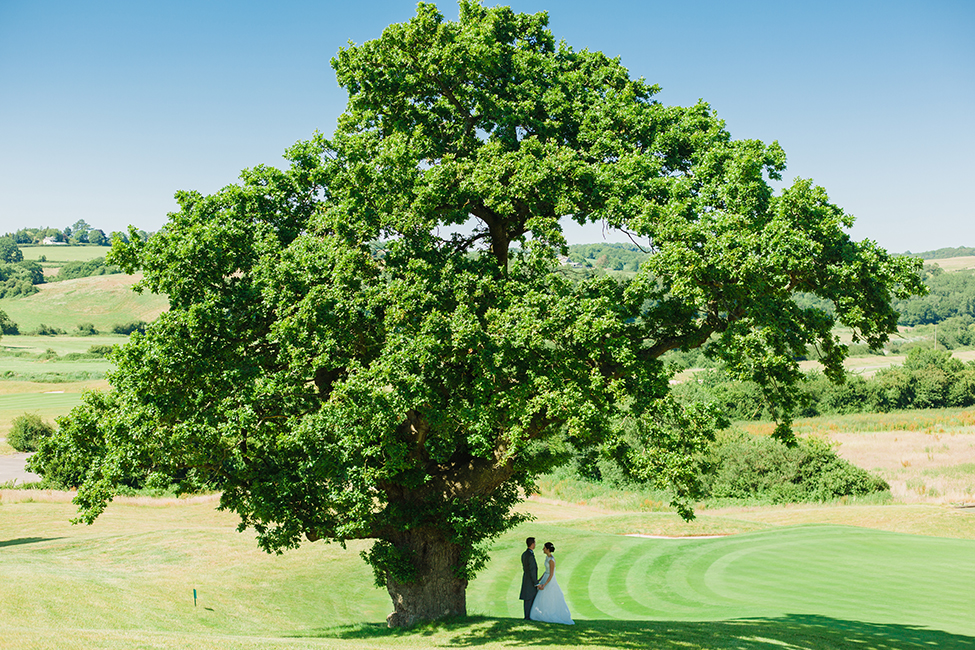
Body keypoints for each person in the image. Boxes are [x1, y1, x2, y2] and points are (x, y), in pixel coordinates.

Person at [530, 542, 574, 625]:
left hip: (549, 580)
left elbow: (551, 574)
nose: (543, 549)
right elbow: (546, 571)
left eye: (544, 548)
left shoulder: (551, 560)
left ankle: (547, 614)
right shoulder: (547, 558)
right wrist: (539, 579)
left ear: (548, 549)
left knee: (548, 597)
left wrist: (544, 584)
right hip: (545, 578)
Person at [520, 537, 538, 619]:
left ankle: (527, 615)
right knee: (530, 598)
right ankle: (528, 616)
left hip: (526, 578)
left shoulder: (524, 554)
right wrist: (536, 582)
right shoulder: (530, 555)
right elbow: (532, 570)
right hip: (530, 580)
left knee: (527, 599)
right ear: (532, 544)